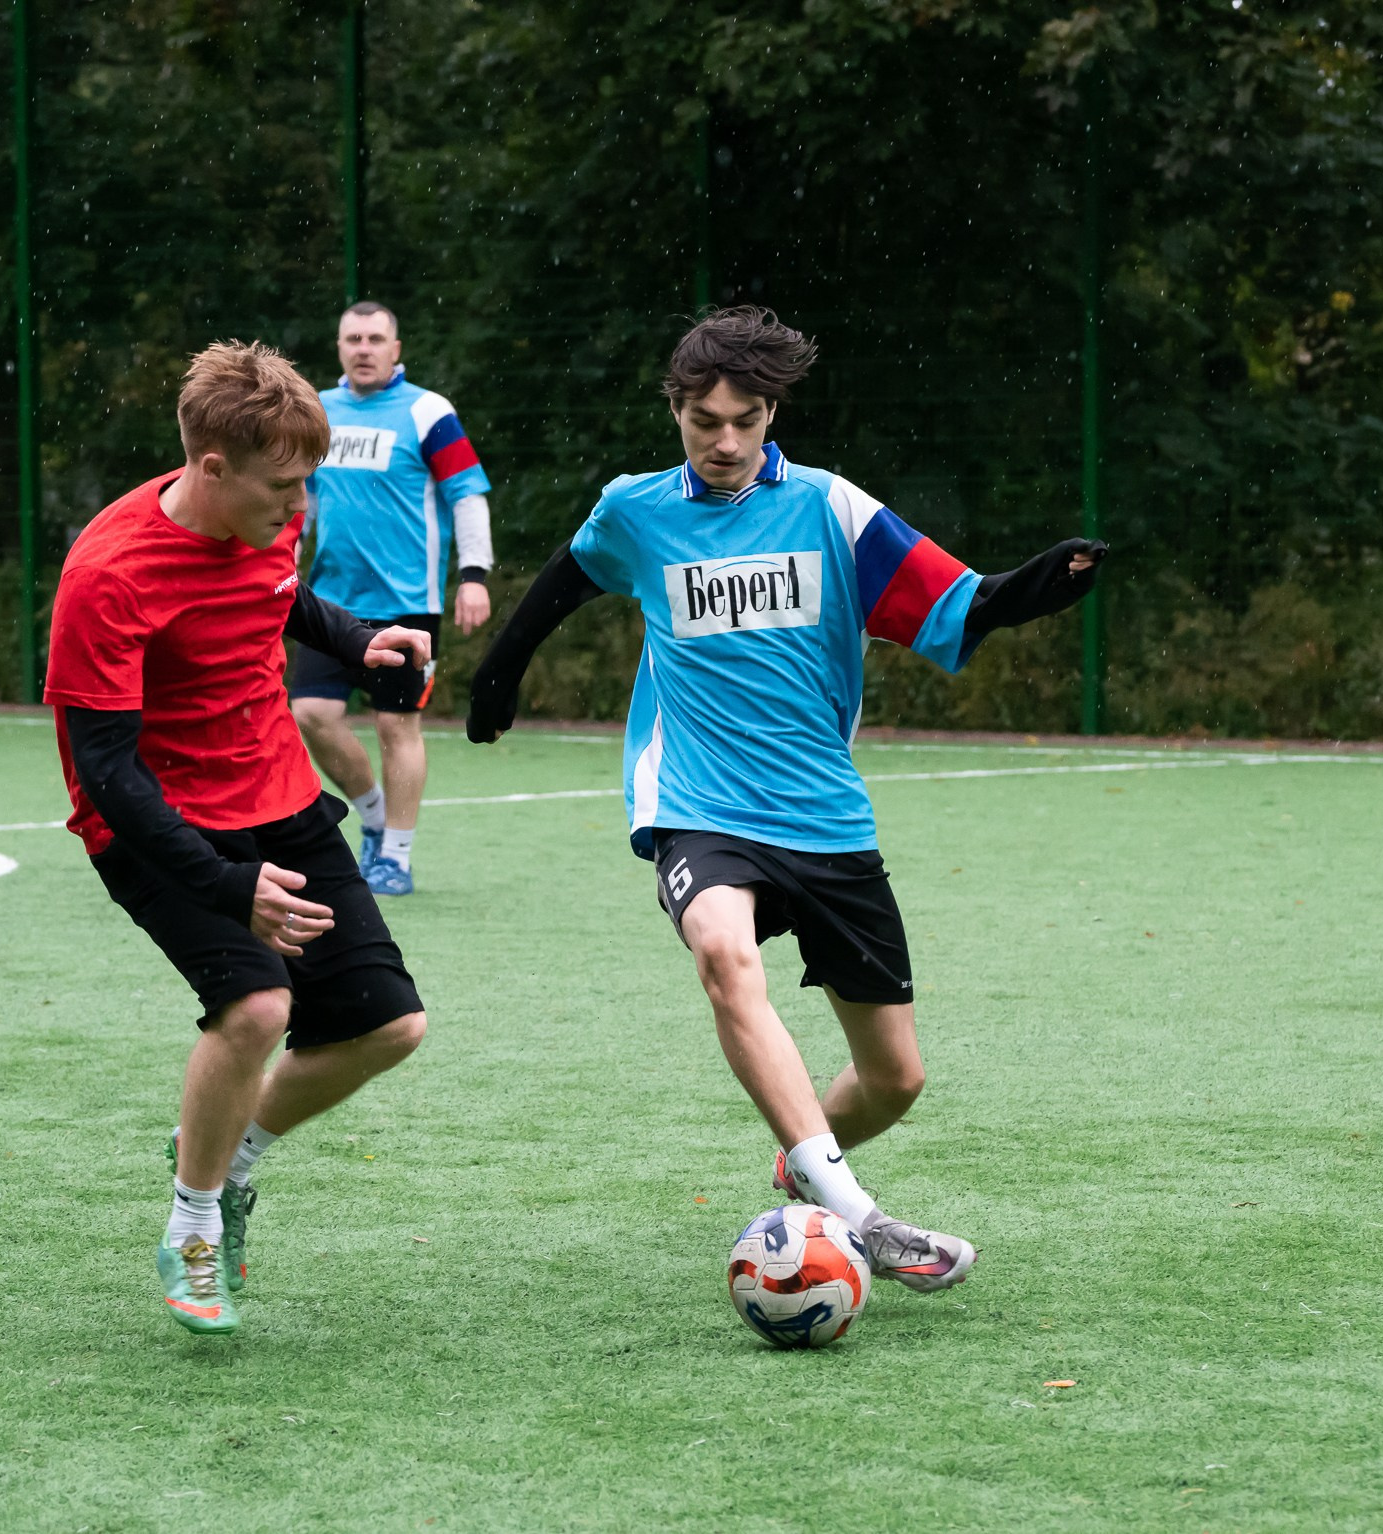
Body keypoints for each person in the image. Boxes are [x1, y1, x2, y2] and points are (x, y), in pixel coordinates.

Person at [464, 307, 1106, 1296]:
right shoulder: (636, 511)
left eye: (746, 420)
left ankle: (801, 1160)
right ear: (675, 409)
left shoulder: (828, 509)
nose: (725, 442)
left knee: (895, 1079)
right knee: (722, 950)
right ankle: (861, 1219)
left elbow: (952, 600)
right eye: (704, 421)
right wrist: (499, 673)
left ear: (772, 413)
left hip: (822, 818)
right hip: (698, 804)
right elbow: (567, 578)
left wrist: (1031, 588)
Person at [43, 340, 435, 1337]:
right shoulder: (107, 573)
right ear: (208, 469)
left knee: (388, 1026)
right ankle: (191, 1224)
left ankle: (225, 1160)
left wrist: (355, 641)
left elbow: (274, 597)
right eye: (284, 489)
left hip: (275, 792)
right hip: (153, 821)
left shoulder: (264, 513)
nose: (299, 511)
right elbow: (108, 773)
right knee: (257, 1007)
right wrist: (227, 886)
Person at [289, 300, 495, 896]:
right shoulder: (318, 412)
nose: (363, 348)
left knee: (395, 725)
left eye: (375, 338)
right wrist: (285, 559)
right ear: (339, 348)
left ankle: (395, 859)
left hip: (407, 604)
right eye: (352, 338)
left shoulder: (429, 412)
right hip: (328, 602)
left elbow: (466, 495)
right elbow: (301, 498)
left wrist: (475, 573)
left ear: (395, 349)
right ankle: (374, 816)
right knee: (312, 716)